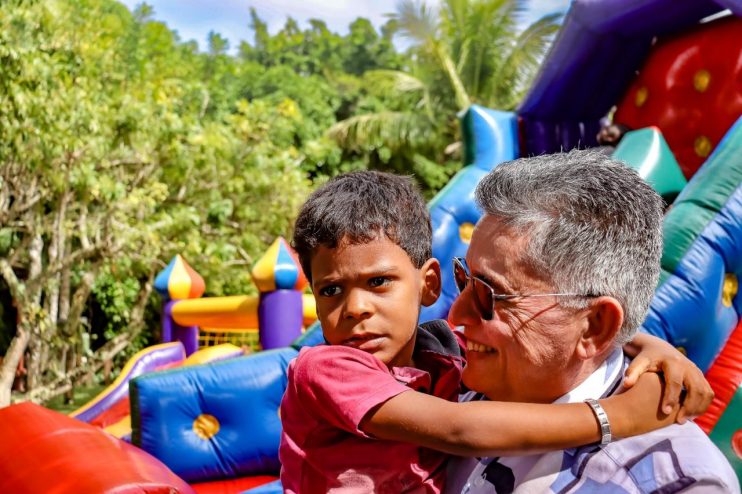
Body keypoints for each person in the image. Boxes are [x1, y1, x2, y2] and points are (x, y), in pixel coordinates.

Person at [279, 170, 712, 493]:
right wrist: (616, 416)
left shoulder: (441, 356)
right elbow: (460, 430)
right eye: (330, 291)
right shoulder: (329, 369)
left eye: (490, 294)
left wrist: (647, 345)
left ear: (427, 284)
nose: (355, 308)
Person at [446, 150, 738, 493]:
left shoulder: (672, 484)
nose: (456, 315)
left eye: (487, 294)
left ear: (595, 325)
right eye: (463, 279)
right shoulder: (445, 373)